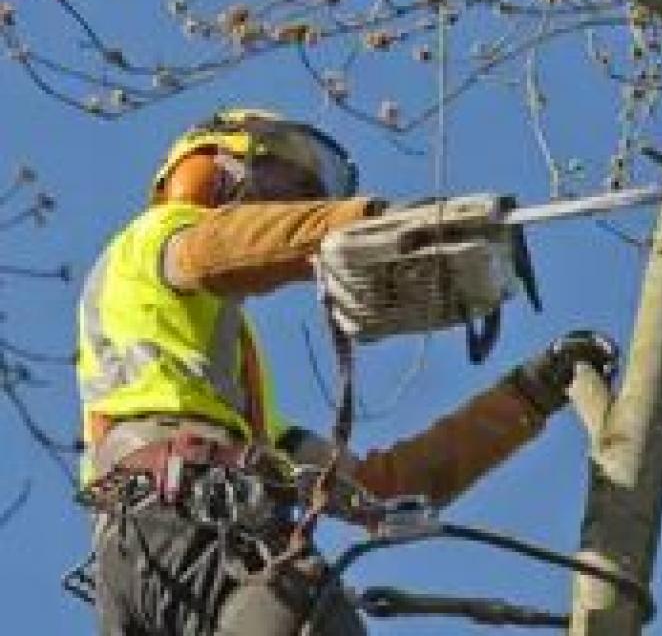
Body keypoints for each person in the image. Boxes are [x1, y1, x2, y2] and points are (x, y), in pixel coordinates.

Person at [76, 108, 619, 636]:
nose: (291, 204)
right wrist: (369, 224)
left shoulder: (232, 404)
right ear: (216, 166)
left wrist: (526, 396)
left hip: (149, 554)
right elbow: (222, 247)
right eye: (284, 185)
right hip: (184, 523)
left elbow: (381, 488)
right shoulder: (156, 237)